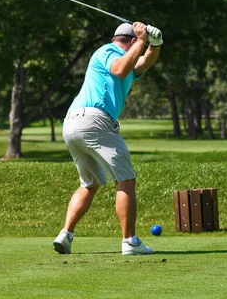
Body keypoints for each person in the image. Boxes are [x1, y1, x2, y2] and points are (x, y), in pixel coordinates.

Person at [53, 21, 162, 255]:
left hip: (74, 123)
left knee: (90, 183)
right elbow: (121, 69)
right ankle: (130, 242)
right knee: (125, 179)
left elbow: (143, 63)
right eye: (137, 44)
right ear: (131, 42)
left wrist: (156, 44)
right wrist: (143, 41)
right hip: (95, 120)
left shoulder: (128, 57)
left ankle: (65, 235)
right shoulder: (108, 51)